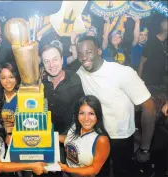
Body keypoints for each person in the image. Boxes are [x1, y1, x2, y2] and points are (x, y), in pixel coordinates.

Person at [76, 35, 155, 177]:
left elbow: (149, 107)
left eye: (89, 52)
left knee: (122, 172)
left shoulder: (122, 73)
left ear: (99, 51)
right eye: (80, 53)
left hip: (121, 138)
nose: (84, 57)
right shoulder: (81, 73)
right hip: (97, 136)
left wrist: (144, 148)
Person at [41, 44, 84, 176]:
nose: (51, 65)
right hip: (47, 138)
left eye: (55, 59)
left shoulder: (75, 80)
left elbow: (82, 110)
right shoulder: (40, 83)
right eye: (46, 61)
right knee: (52, 172)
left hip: (69, 137)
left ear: (62, 59)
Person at [59, 95, 110, 177]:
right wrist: (52, 136)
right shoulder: (76, 126)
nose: (86, 119)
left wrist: (66, 169)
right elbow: (70, 139)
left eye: (91, 113)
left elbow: (94, 169)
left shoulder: (101, 139)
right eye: (82, 113)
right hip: (66, 173)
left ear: (98, 115)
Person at [0, 63, 20, 145]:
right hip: (3, 140)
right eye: (3, 78)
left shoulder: (23, 96)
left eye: (11, 77)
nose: (8, 81)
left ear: (16, 77)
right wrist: (6, 136)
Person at [139, 18, 168, 85]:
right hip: (149, 79)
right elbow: (142, 62)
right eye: (165, 23)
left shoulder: (166, 42)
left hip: (160, 79)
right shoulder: (152, 42)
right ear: (163, 26)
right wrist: (139, 80)